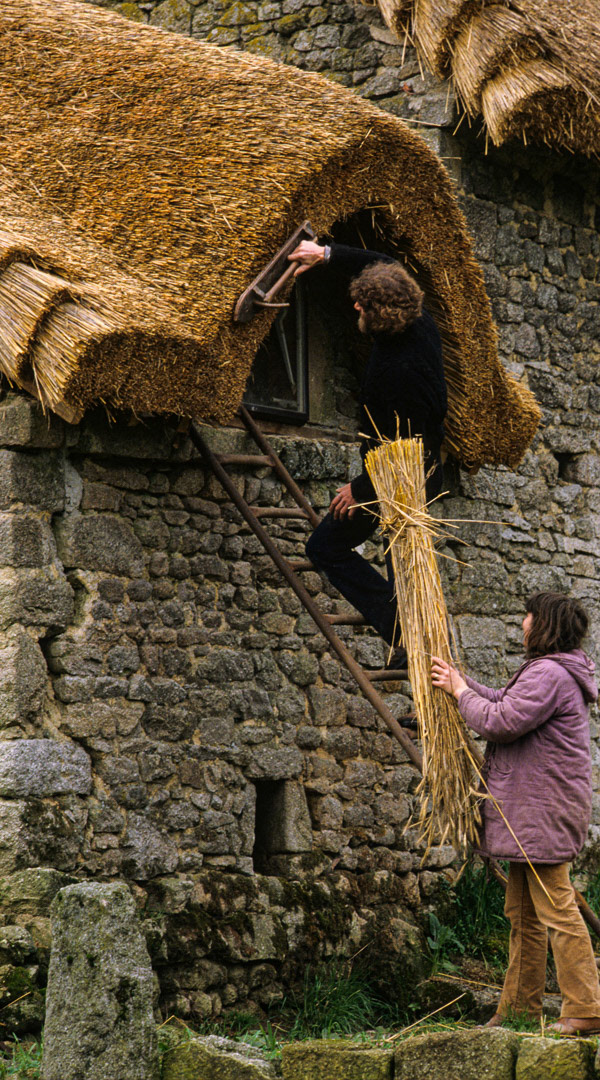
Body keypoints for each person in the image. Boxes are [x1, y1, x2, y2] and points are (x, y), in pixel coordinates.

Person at [430, 592, 600, 1035]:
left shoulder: (548, 673)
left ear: (543, 624)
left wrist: (460, 690)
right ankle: (519, 1009)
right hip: (538, 811)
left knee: (558, 909)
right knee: (524, 915)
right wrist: (458, 682)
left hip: (541, 813)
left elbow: (500, 722)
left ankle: (586, 1007)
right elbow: (505, 702)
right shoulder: (551, 673)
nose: (522, 623)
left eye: (528, 615)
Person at [287, 239, 447, 667]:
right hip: (397, 469)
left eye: (362, 305)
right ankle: (404, 633)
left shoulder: (402, 370)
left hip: (404, 477)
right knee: (399, 567)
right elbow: (387, 264)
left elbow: (406, 445)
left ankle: (403, 632)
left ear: (380, 313)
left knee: (327, 547)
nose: (355, 308)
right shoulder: (418, 319)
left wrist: (360, 488)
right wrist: (325, 255)